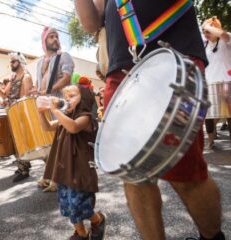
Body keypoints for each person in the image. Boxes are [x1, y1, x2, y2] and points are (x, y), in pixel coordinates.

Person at [74, 1, 225, 240]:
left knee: (185, 171)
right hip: (123, 67)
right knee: (132, 172)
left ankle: (212, 237)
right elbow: (91, 22)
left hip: (175, 49)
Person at [37, 85, 106, 240]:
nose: (67, 99)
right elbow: (47, 127)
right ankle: (81, 233)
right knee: (67, 205)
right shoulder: (64, 118)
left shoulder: (86, 117)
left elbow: (74, 127)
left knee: (81, 206)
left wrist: (55, 111)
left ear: (85, 100)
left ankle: (98, 220)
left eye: (72, 96)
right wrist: (41, 113)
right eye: (65, 96)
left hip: (80, 172)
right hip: (64, 171)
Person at [35, 26, 75, 192]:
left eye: (56, 36)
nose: (55, 39)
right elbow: (40, 84)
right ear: (44, 41)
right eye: (51, 37)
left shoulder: (63, 56)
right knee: (48, 142)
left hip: (60, 104)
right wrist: (38, 93)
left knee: (60, 141)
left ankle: (57, 180)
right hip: (45, 104)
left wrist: (48, 92)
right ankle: (50, 174)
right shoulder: (39, 63)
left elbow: (66, 78)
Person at [0, 52, 33, 182]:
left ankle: (24, 169)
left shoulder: (26, 77)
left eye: (13, 61)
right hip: (11, 111)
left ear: (20, 62)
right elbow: (4, 95)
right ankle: (22, 165)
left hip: (19, 112)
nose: (11, 64)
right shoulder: (13, 78)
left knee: (20, 141)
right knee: (15, 141)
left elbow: (26, 98)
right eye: (10, 62)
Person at [202, 16, 231, 149]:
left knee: (229, 114)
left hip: (226, 81)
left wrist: (209, 26)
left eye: (208, 31)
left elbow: (224, 35)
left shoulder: (226, 40)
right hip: (210, 83)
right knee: (209, 116)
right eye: (204, 32)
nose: (206, 34)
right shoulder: (205, 44)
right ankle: (210, 141)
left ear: (215, 29)